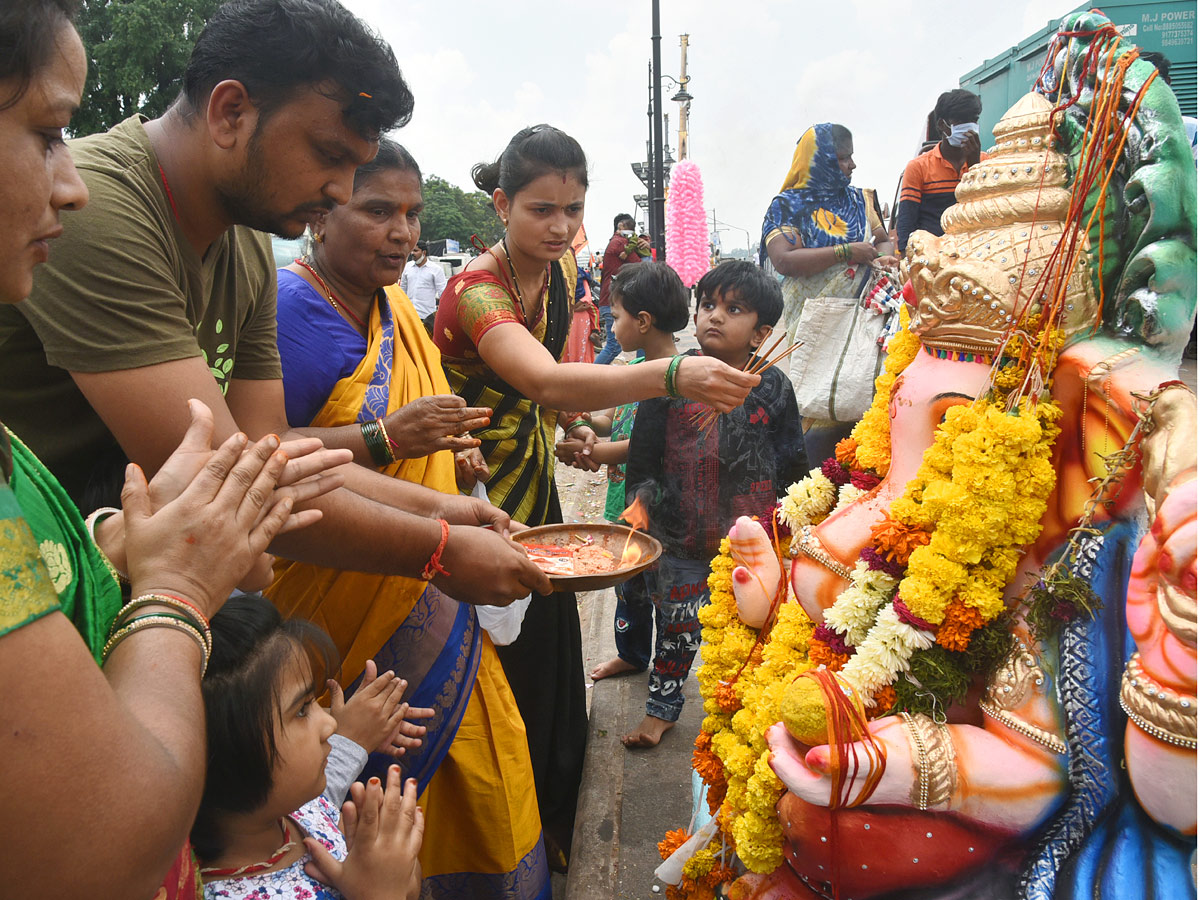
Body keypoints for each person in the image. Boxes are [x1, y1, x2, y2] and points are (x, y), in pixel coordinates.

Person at [0, 0, 549, 609]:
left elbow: (271, 450)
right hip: (40, 582)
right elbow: (236, 485)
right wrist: (437, 547)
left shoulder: (248, 244)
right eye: (329, 155)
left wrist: (447, 508)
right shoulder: (101, 211)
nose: (341, 190)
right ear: (231, 112)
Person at [0, 5, 349, 896]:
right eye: (47, 133)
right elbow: (103, 842)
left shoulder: (247, 252)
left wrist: (106, 552)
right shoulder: (113, 217)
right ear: (231, 113)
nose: (69, 185)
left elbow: (260, 464)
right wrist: (175, 590)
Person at [433, 124, 759, 867]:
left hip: (530, 468)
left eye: (573, 210)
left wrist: (573, 424)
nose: (560, 227)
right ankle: (497, 837)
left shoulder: (552, 274)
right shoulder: (476, 289)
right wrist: (672, 375)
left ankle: (551, 818)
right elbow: (542, 378)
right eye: (541, 209)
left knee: (548, 643)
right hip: (467, 477)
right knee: (493, 651)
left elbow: (549, 389)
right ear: (500, 204)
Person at [269, 139, 552, 899]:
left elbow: (416, 424)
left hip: (436, 582)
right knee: (371, 785)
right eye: (377, 211)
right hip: (344, 591)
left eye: (412, 214)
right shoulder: (291, 312)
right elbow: (265, 452)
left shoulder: (397, 305)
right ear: (320, 215)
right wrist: (389, 442)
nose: (403, 232)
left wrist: (452, 461)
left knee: (484, 765)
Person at [621, 261, 807, 747]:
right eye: (707, 305)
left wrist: (798, 520)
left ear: (762, 332)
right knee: (677, 627)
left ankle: (752, 705)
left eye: (733, 309)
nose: (714, 317)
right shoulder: (671, 378)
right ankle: (662, 709)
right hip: (680, 532)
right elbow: (643, 455)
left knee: (755, 622)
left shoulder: (773, 386)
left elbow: (792, 459)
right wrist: (637, 508)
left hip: (751, 537)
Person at [192, 594, 424, 900]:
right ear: (234, 758)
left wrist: (388, 866)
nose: (330, 724)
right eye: (301, 710)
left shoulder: (294, 811)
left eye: (315, 702)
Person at [558, 263, 690, 683]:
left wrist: (592, 452)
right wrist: (581, 424)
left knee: (660, 588)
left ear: (643, 321)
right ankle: (632, 653)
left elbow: (649, 447)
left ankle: (666, 674)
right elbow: (612, 418)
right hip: (623, 499)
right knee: (627, 582)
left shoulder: (677, 378)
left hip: (657, 507)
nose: (611, 327)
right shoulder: (635, 368)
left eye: (615, 317)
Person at [760, 122, 894, 464]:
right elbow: (784, 259)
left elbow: (881, 239)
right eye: (842, 159)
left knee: (859, 389)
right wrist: (845, 253)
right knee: (812, 398)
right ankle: (808, 483)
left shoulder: (861, 199)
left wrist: (882, 253)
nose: (852, 165)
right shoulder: (788, 205)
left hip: (862, 316)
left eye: (852, 157)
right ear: (818, 162)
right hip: (810, 323)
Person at [894, 88, 984, 254]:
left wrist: (974, 167)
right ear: (942, 125)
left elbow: (987, 212)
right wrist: (907, 259)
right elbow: (907, 221)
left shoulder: (987, 162)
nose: (970, 126)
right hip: (933, 257)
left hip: (975, 252)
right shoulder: (918, 167)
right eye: (961, 121)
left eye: (974, 120)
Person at [594, 213, 650, 364]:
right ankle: (589, 380)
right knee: (614, 346)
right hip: (613, 301)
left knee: (642, 339)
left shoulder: (617, 242)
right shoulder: (620, 244)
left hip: (616, 300)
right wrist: (648, 249)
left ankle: (641, 373)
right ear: (620, 228)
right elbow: (644, 266)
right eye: (629, 228)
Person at [400, 239, 446, 328]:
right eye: (412, 250)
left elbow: (442, 293)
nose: (412, 253)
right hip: (409, 315)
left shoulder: (436, 269)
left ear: (424, 252)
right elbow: (402, 291)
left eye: (416, 251)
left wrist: (443, 313)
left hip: (427, 316)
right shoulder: (407, 267)